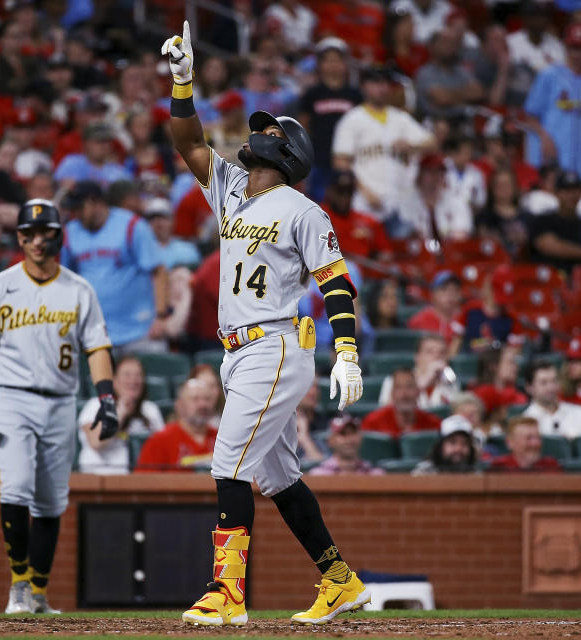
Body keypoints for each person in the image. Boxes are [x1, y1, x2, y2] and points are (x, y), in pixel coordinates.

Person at [163, 22, 369, 626]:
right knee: (278, 477)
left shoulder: (304, 210)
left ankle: (227, 594)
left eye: (267, 133)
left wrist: (349, 351)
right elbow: (188, 143)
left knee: (228, 465)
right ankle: (338, 578)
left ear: (288, 153)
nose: (254, 137)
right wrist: (182, 83)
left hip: (275, 344)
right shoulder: (230, 188)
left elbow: (335, 281)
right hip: (239, 351)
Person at [0, 199, 117, 614]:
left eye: (44, 232)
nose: (36, 240)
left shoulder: (78, 289)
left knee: (51, 500)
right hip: (10, 396)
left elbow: (97, 347)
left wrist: (107, 396)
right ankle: (18, 586)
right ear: (20, 238)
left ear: (58, 236)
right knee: (15, 487)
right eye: (28, 233)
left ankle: (39, 592)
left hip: (61, 400)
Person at [60, 181, 170, 354]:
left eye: (79, 208)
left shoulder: (132, 225)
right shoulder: (70, 232)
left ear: (94, 201)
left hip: (139, 329)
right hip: (95, 332)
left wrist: (161, 316)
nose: (76, 214)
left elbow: (158, 271)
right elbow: (65, 279)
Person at [332, 64, 435, 222]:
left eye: (386, 83)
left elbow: (432, 143)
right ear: (364, 86)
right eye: (376, 82)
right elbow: (340, 161)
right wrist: (364, 191)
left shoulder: (400, 118)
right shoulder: (352, 119)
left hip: (401, 202)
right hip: (366, 203)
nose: (382, 88)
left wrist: (412, 146)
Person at [522, 23, 581, 184]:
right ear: (566, 46)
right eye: (572, 48)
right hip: (553, 158)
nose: (576, 54)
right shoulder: (549, 75)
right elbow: (529, 116)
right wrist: (544, 137)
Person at [296, 38, 361, 202]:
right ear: (320, 64)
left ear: (345, 64)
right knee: (318, 203)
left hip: (349, 159)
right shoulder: (312, 94)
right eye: (328, 60)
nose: (333, 65)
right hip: (319, 157)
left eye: (338, 60)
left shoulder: (355, 95)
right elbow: (303, 125)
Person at [76, 356, 165, 475]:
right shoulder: (95, 405)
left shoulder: (150, 409)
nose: (133, 380)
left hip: (141, 480)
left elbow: (162, 447)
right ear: (115, 381)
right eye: (127, 375)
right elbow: (96, 442)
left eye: (138, 375)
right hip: (99, 477)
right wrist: (121, 412)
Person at [135, 378, 219, 472]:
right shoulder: (160, 440)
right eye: (195, 399)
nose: (203, 404)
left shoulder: (221, 438)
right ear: (179, 406)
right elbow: (143, 482)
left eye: (207, 399)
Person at [527, 170, 581, 273]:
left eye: (575, 190)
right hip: (547, 282)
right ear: (556, 193)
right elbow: (547, 245)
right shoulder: (542, 220)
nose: (571, 195)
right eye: (566, 191)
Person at [523, 359, 581, 440]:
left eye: (554, 381)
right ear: (529, 388)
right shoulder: (526, 423)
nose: (551, 387)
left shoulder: (580, 412)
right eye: (543, 383)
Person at [377, 334, 458, 408]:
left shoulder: (451, 380)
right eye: (429, 352)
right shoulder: (394, 380)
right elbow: (387, 413)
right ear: (417, 357)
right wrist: (421, 383)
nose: (437, 356)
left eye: (442, 352)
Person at [363, 368, 441, 437]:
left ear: (418, 392)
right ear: (392, 393)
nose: (404, 394)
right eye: (398, 387)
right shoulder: (372, 423)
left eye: (409, 387)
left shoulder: (433, 424)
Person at [309, 415, 384, 476]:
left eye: (353, 433)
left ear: (361, 438)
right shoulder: (319, 474)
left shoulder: (375, 474)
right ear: (330, 440)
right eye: (343, 434)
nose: (349, 439)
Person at [407, 270, 462, 345]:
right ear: (433, 294)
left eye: (455, 289)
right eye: (444, 289)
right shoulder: (419, 321)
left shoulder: (467, 320)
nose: (451, 293)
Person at [489, 416, 562, 472]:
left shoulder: (551, 467)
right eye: (528, 438)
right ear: (510, 442)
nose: (535, 443)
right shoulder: (499, 468)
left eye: (538, 437)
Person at [144, 197, 201, 269]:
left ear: (173, 221)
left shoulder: (188, 249)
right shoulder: (140, 250)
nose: (158, 222)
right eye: (152, 218)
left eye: (163, 217)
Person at [411, 414, 477, 475]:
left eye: (464, 443)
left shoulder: (477, 475)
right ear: (441, 445)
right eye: (452, 442)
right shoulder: (424, 472)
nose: (458, 449)